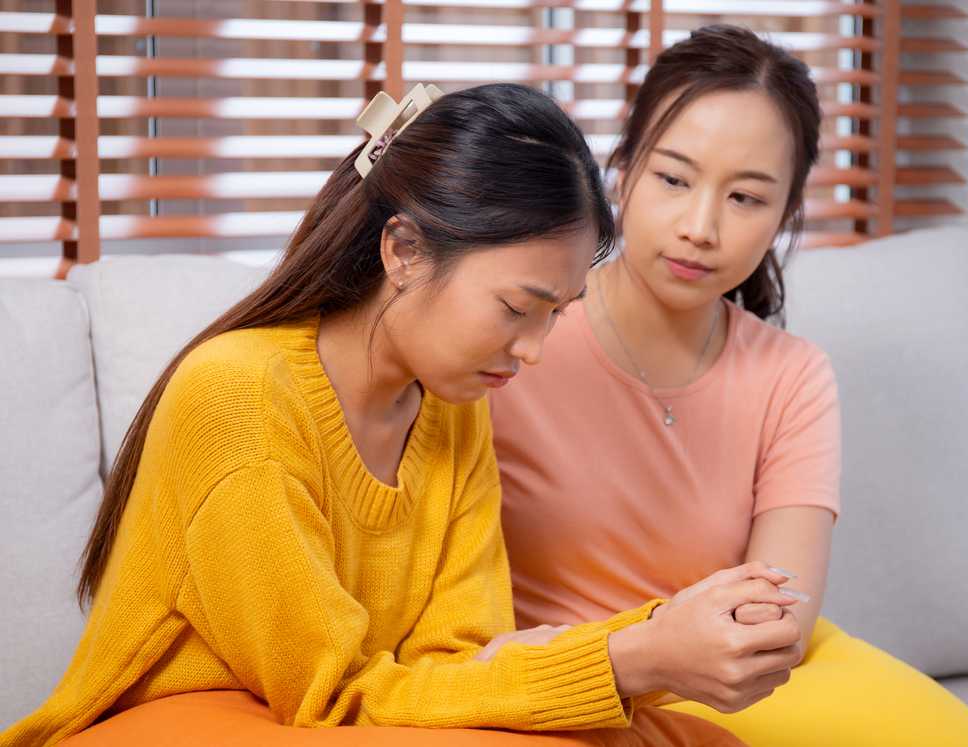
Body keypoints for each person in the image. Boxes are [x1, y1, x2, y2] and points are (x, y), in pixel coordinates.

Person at [0, 82, 794, 747]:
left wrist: (654, 642)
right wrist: (631, 657)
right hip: (190, 721)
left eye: (556, 315)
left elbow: (462, 660)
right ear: (404, 251)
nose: (533, 351)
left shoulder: (451, 404)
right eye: (519, 307)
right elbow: (333, 691)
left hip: (357, 715)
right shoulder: (238, 397)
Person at [489, 26, 968, 747]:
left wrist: (713, 649)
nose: (701, 227)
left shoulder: (792, 375)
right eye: (673, 179)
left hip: (743, 684)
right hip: (565, 686)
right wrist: (643, 654)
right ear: (624, 168)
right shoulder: (514, 335)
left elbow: (779, 622)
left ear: (785, 214)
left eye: (746, 198)